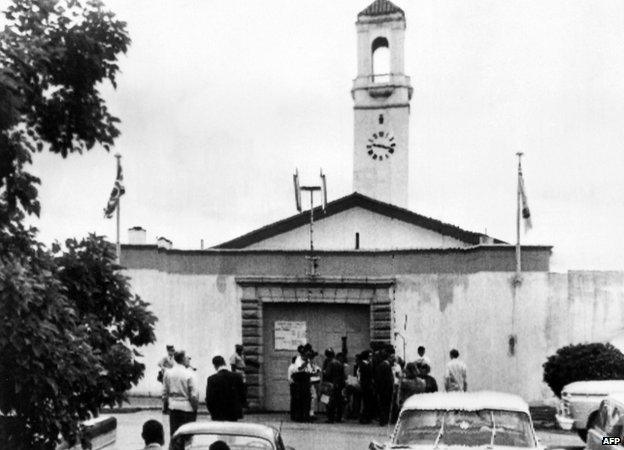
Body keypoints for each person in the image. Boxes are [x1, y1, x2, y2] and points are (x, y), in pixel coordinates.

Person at [162, 350, 199, 436]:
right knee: (188, 436)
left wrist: (166, 406)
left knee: (175, 435)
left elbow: (164, 392)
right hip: (187, 407)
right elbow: (193, 394)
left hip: (174, 407)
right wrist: (195, 407)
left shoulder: (168, 372)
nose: (188, 360)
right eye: (187, 358)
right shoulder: (190, 373)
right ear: (183, 359)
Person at [206, 355, 245, 421]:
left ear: (215, 365)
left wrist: (212, 412)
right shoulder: (237, 377)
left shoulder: (212, 379)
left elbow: (209, 398)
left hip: (218, 414)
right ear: (224, 363)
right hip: (233, 413)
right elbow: (242, 395)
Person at [323, 348, 346, 423]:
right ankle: (338, 417)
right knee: (339, 402)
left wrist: (324, 371)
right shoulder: (339, 363)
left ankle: (331, 418)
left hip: (331, 384)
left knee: (330, 402)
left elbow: (327, 374)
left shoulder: (330, 363)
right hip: (339, 384)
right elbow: (343, 375)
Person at [374, 348, 394, 426]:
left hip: (384, 389)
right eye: (392, 359)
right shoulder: (384, 365)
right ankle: (383, 420)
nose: (393, 361)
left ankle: (384, 420)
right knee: (384, 405)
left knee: (385, 405)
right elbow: (384, 379)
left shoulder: (385, 365)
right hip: (385, 389)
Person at [358, 350, 375, 424]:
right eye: (370, 356)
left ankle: (367, 417)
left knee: (368, 402)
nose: (371, 357)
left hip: (367, 385)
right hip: (365, 385)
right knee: (366, 401)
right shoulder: (363, 365)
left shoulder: (367, 364)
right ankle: (364, 417)